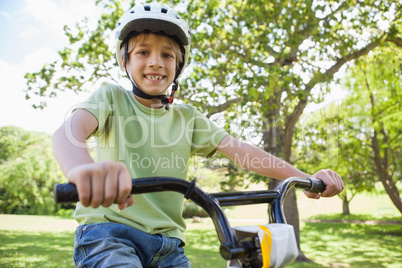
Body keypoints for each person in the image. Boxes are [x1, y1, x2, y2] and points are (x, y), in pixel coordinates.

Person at [52, 2, 344, 267]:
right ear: (125, 61)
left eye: (167, 54)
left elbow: (242, 151)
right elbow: (69, 132)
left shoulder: (187, 117)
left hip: (168, 245)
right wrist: (83, 170)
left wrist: (305, 178)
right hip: (108, 234)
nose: (155, 61)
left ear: (177, 67)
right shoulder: (111, 97)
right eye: (143, 52)